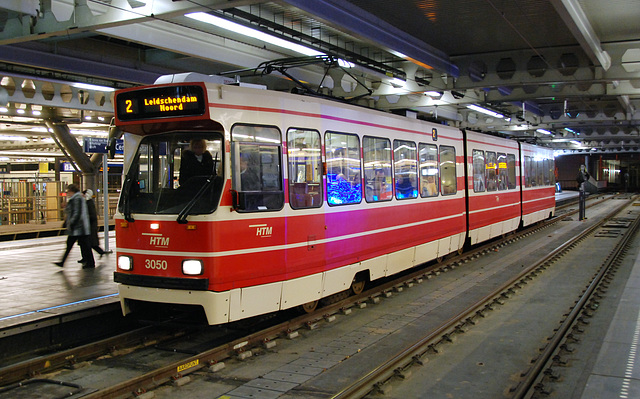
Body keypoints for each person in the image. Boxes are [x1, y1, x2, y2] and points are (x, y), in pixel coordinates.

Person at [54, 184, 95, 269]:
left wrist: (71, 223)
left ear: (71, 191)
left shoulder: (77, 199)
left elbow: (76, 213)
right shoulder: (77, 198)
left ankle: (90, 263)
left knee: (82, 245)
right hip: (79, 227)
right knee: (83, 245)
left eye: (68, 192)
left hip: (79, 228)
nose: (68, 193)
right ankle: (63, 262)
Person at [78, 189, 106, 263]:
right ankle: (85, 257)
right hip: (87, 226)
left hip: (90, 227)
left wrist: (84, 217)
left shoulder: (89, 203)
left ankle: (94, 256)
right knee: (87, 243)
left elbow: (92, 216)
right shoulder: (86, 203)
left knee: (90, 243)